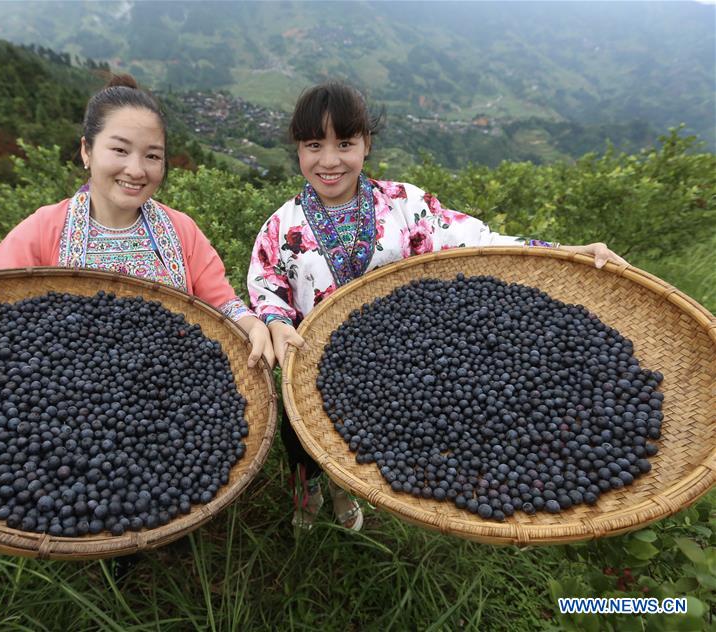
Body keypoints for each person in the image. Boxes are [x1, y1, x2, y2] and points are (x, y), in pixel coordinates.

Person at [247, 81, 628, 531]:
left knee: (356, 447)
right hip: (313, 364)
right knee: (301, 443)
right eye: (314, 146)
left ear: (367, 144)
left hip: (408, 367)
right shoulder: (281, 227)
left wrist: (563, 252)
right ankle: (305, 494)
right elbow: (266, 285)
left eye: (345, 144)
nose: (329, 161)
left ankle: (342, 490)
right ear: (298, 149)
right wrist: (275, 322)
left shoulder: (405, 205)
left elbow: (479, 242)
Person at [0, 74, 274, 390]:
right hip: (61, 406)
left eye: (152, 156)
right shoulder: (45, 229)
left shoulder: (180, 231)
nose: (137, 169)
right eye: (119, 150)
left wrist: (254, 324)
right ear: (86, 151)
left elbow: (223, 304)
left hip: (171, 401)